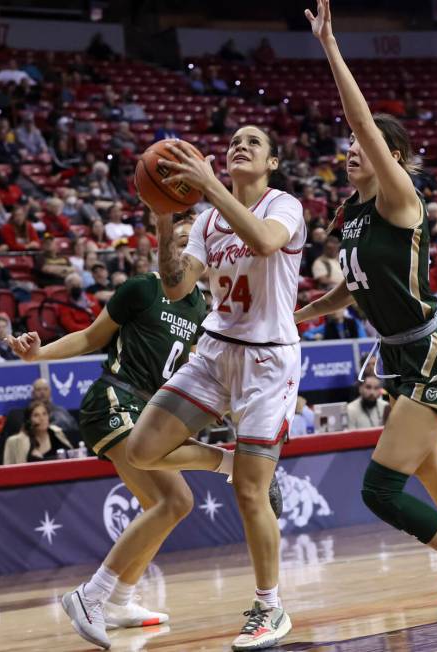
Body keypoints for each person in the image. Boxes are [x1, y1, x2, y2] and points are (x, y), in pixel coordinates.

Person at [296, 0, 437, 621]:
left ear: (390, 154)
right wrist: (300, 317)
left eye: (362, 144)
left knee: (380, 488)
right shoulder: (350, 215)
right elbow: (353, 289)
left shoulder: (399, 196)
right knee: (428, 463)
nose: (351, 149)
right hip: (401, 351)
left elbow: (362, 121)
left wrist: (331, 50)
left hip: (428, 348)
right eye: (347, 147)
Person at [6, 220, 280, 649]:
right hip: (115, 399)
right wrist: (39, 354)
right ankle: (91, 595)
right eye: (175, 240)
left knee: (169, 503)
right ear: (163, 249)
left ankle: (119, 601)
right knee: (175, 499)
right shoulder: (142, 288)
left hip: (152, 412)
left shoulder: (205, 312)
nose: (182, 249)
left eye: (190, 241)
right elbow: (90, 337)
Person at [125, 124, 305, 650]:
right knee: (142, 448)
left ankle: (270, 608)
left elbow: (265, 241)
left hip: (269, 360)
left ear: (271, 163)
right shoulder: (205, 219)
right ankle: (231, 460)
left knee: (253, 494)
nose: (239, 146)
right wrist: (164, 229)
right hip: (216, 349)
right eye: (233, 143)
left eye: (253, 142)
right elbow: (179, 286)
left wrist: (210, 186)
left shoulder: (284, 205)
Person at [3, 400, 72, 464]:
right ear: (28, 421)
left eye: (44, 414)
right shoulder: (19, 441)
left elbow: (71, 456)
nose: (42, 418)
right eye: (36, 415)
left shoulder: (57, 433)